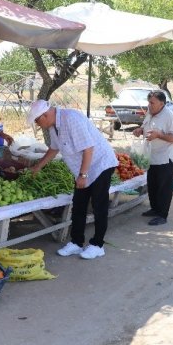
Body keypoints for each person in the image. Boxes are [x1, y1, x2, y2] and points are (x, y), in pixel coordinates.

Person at [28, 99, 118, 260]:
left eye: (37, 120)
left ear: (46, 115)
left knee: (99, 205)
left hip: (100, 164)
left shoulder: (71, 119)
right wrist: (38, 166)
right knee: (79, 204)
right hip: (83, 168)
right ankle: (77, 242)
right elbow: (54, 149)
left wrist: (83, 175)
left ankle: (98, 245)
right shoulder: (54, 126)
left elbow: (88, 148)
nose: (38, 124)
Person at [133, 90, 173, 226]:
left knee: (163, 188)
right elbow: (145, 126)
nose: (149, 105)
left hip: (166, 159)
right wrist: (140, 130)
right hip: (151, 156)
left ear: (162, 103)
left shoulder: (169, 116)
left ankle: (162, 215)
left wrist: (159, 135)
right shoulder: (150, 112)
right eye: (148, 102)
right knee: (152, 185)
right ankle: (154, 209)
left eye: (152, 103)